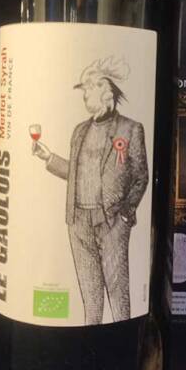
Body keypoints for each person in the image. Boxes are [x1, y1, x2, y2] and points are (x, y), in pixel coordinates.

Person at [33, 57, 148, 324]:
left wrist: (125, 214)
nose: (85, 94)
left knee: (118, 292)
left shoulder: (130, 129)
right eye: (84, 88)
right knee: (90, 295)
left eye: (89, 87)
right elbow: (77, 174)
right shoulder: (79, 131)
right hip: (78, 222)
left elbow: (141, 177)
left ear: (105, 89)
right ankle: (88, 338)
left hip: (111, 220)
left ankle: (121, 338)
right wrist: (49, 158)